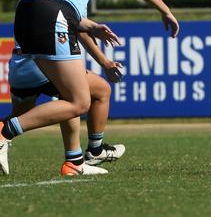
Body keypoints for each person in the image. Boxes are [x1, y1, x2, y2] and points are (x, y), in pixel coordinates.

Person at [0, 0, 180, 175]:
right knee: (79, 101)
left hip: (26, 11)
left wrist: (91, 33)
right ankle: (5, 131)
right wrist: (165, 10)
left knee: (78, 93)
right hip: (53, 15)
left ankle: (75, 161)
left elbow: (58, 6)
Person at [7, 31, 125, 176]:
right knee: (93, 93)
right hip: (45, 61)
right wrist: (104, 62)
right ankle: (91, 153)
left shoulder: (24, 7)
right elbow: (80, 27)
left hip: (19, 64)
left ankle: (3, 133)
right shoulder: (56, 7)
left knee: (19, 115)